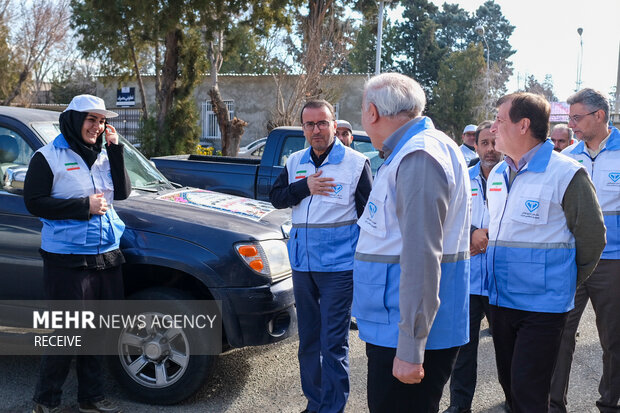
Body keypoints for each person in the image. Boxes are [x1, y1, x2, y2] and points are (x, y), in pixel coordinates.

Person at [353, 73, 470, 413]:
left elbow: (421, 257)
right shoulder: (412, 150)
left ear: (371, 112)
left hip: (406, 334)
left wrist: (410, 347)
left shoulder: (418, 156)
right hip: (399, 326)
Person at [486, 92, 606, 413]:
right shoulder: (497, 174)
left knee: (529, 394)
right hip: (499, 302)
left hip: (542, 308)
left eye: (499, 120)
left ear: (523, 125)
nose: (494, 127)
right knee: (511, 390)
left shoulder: (567, 173)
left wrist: (563, 281)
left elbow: (592, 238)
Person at [23, 95, 131, 413]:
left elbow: (122, 193)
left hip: (107, 253)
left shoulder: (103, 155)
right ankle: (46, 401)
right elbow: (35, 202)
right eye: (90, 119)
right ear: (73, 120)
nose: (97, 126)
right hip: (66, 258)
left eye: (101, 121)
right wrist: (84, 206)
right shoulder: (48, 157)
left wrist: (115, 149)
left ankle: (91, 398)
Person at [269, 100, 372, 413]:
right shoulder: (295, 161)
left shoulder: (355, 163)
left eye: (322, 123)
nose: (316, 130)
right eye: (310, 125)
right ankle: (315, 403)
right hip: (302, 266)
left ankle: (332, 407)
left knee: (333, 343)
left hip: (339, 269)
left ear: (334, 124)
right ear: (303, 128)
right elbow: (276, 198)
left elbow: (368, 217)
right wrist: (305, 187)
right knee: (308, 343)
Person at [550, 88, 620, 413]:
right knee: (559, 334)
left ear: (600, 116)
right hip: (572, 262)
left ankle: (609, 404)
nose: (572, 125)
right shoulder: (568, 158)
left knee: (614, 339)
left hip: (613, 264)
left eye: (577, 118)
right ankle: (553, 404)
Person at [444, 121, 503, 413]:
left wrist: (488, 236)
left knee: (508, 348)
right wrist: (470, 235)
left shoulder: (515, 176)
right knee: (462, 349)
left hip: (503, 281)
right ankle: (459, 405)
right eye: (484, 144)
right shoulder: (462, 178)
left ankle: (515, 401)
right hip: (467, 278)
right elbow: (447, 218)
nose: (490, 150)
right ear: (475, 146)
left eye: (495, 143)